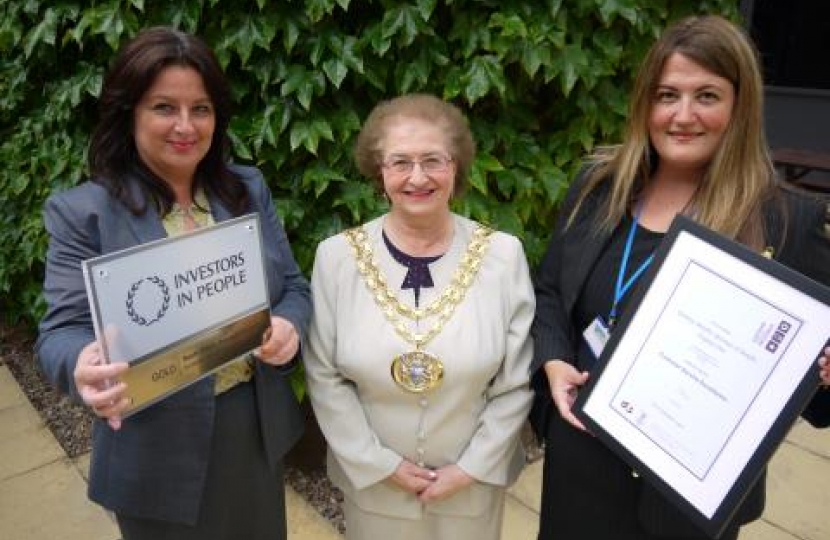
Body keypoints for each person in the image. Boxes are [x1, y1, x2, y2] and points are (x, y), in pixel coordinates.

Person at [530, 15, 830, 540]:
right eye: (667, 95)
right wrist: (554, 361)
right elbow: (550, 292)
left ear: (740, 106)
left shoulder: (786, 222)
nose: (683, 115)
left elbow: (816, 396)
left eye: (707, 96)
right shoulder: (599, 185)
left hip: (683, 507)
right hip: (580, 467)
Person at [35, 27, 310, 540]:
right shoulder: (84, 213)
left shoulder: (246, 189)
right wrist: (82, 364)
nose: (185, 126)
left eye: (200, 109)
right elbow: (59, 333)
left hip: (253, 431)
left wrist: (290, 327)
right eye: (164, 107)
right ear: (130, 113)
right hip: (155, 449)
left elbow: (294, 287)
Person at [304, 93, 535, 540]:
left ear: (456, 166)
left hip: (470, 490)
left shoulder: (504, 257)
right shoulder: (335, 259)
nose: (417, 177)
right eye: (400, 162)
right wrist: (379, 464)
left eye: (433, 160)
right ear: (379, 171)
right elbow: (324, 375)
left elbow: (516, 382)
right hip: (375, 490)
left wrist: (470, 469)